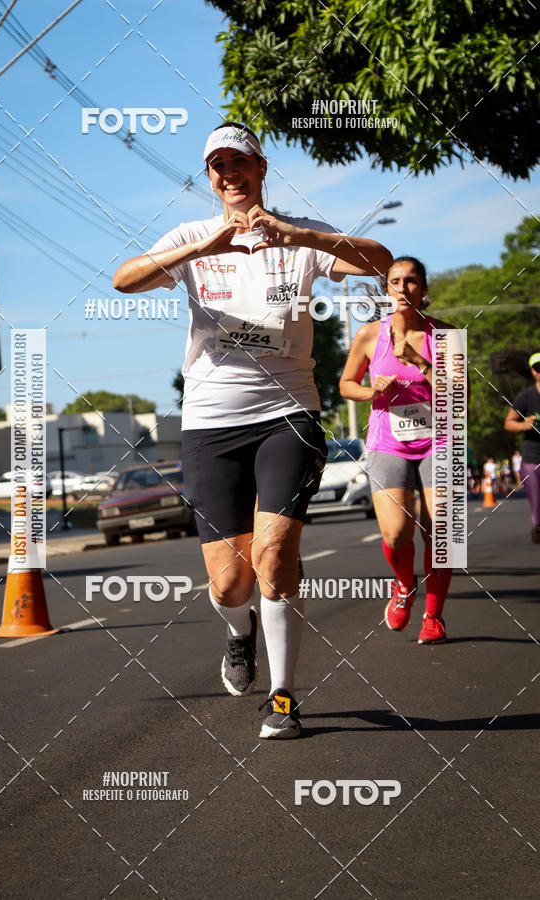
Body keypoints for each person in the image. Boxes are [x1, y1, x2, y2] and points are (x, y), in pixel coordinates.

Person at [113, 123, 392, 738]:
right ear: (209, 177)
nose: (228, 174)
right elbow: (124, 279)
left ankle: (284, 697)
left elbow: (381, 262)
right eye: (217, 166)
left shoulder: (298, 240)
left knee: (273, 555)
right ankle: (240, 636)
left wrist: (295, 234)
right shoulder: (192, 238)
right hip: (210, 424)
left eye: (239, 161)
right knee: (230, 580)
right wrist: (201, 246)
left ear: (260, 167)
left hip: (288, 414)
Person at [340, 256, 462, 645]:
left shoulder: (446, 336)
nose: (403, 288)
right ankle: (404, 586)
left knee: (442, 532)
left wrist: (421, 364)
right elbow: (346, 384)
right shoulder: (369, 336)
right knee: (396, 534)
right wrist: (371, 390)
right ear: (386, 289)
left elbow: (462, 398)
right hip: (388, 442)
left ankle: (433, 615)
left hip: (440, 440)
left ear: (424, 290)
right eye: (395, 281)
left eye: (411, 281)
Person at [504, 352, 540, 543]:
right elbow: (508, 423)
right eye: (538, 368)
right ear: (533, 372)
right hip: (533, 459)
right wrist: (524, 425)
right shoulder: (526, 396)